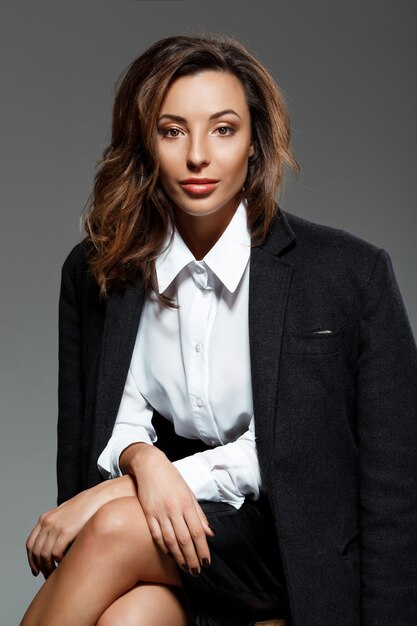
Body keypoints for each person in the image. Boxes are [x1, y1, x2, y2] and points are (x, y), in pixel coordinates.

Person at [21, 34, 417, 626]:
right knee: (126, 619)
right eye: (173, 130)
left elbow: (396, 488)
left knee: (113, 523)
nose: (198, 156)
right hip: (170, 550)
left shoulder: (347, 274)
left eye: (224, 129)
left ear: (255, 144)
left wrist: (119, 492)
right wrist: (139, 463)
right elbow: (84, 444)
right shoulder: (95, 270)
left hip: (287, 554)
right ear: (144, 144)